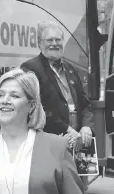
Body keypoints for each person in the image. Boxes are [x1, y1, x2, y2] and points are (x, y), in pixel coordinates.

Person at [20, 21, 94, 149]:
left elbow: (85, 104)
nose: (54, 43)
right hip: (51, 142)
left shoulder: (71, 68)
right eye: (49, 40)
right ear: (39, 44)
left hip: (77, 141)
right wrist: (67, 129)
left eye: (58, 39)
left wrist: (87, 126)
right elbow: (36, 108)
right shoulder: (30, 68)